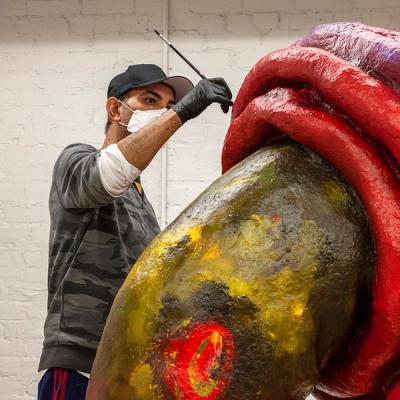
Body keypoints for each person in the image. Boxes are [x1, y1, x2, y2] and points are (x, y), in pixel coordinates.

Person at [37, 64, 233, 399]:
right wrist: (184, 112)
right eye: (149, 99)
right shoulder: (75, 161)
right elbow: (109, 175)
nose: (163, 111)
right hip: (80, 366)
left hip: (127, 371)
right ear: (116, 108)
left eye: (168, 105)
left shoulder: (142, 205)